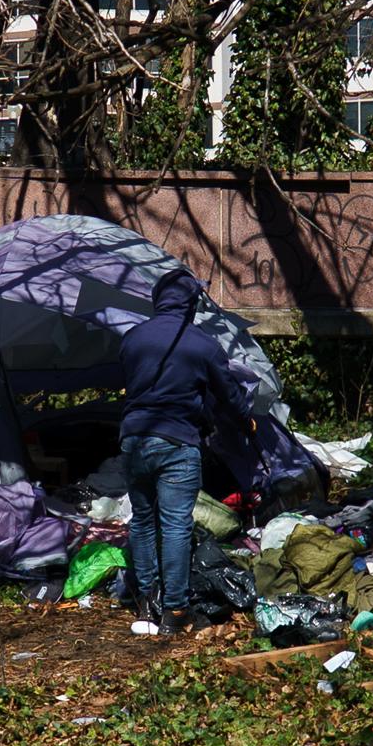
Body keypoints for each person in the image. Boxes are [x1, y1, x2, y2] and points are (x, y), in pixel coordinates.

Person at [118, 268, 254, 636]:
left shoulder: (132, 339)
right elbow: (228, 394)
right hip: (178, 442)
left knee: (143, 521)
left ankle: (146, 601)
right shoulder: (202, 344)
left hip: (134, 440)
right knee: (176, 525)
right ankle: (175, 611)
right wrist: (246, 422)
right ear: (191, 304)